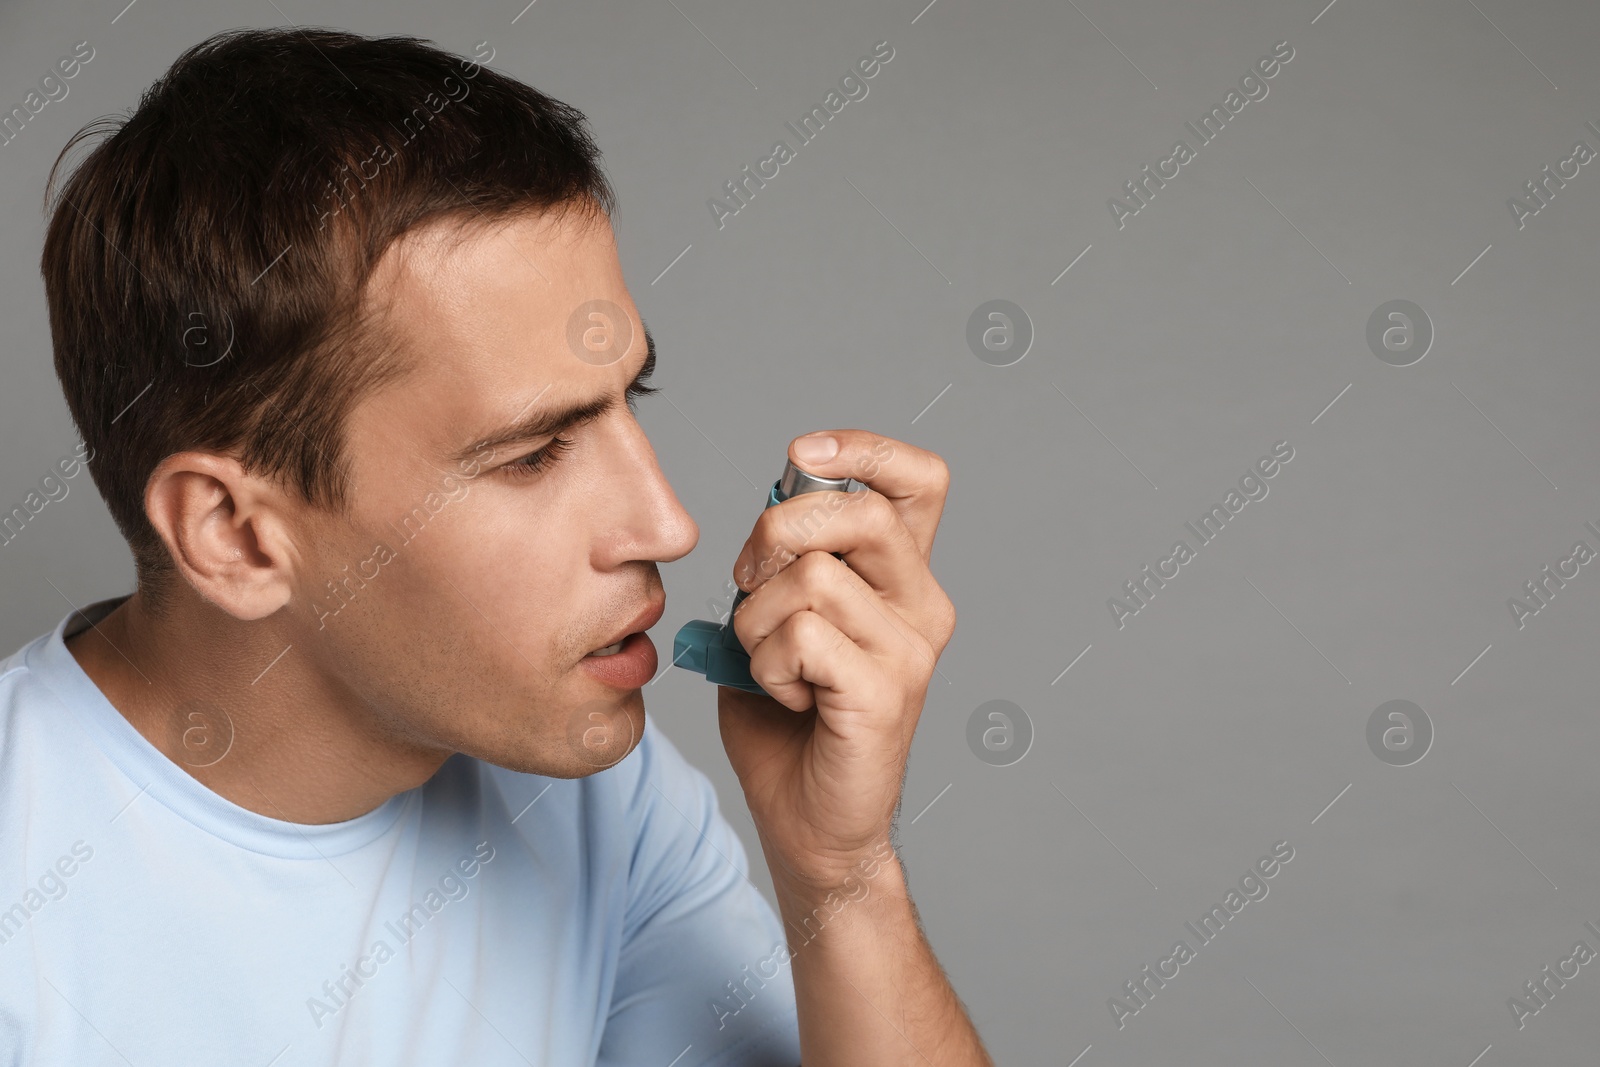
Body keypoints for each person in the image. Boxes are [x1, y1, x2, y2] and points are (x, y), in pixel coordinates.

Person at [0, 26, 990, 1067]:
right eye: (530, 454)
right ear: (235, 535)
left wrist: (838, 872)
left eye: (627, 399)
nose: (667, 522)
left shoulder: (600, 797)